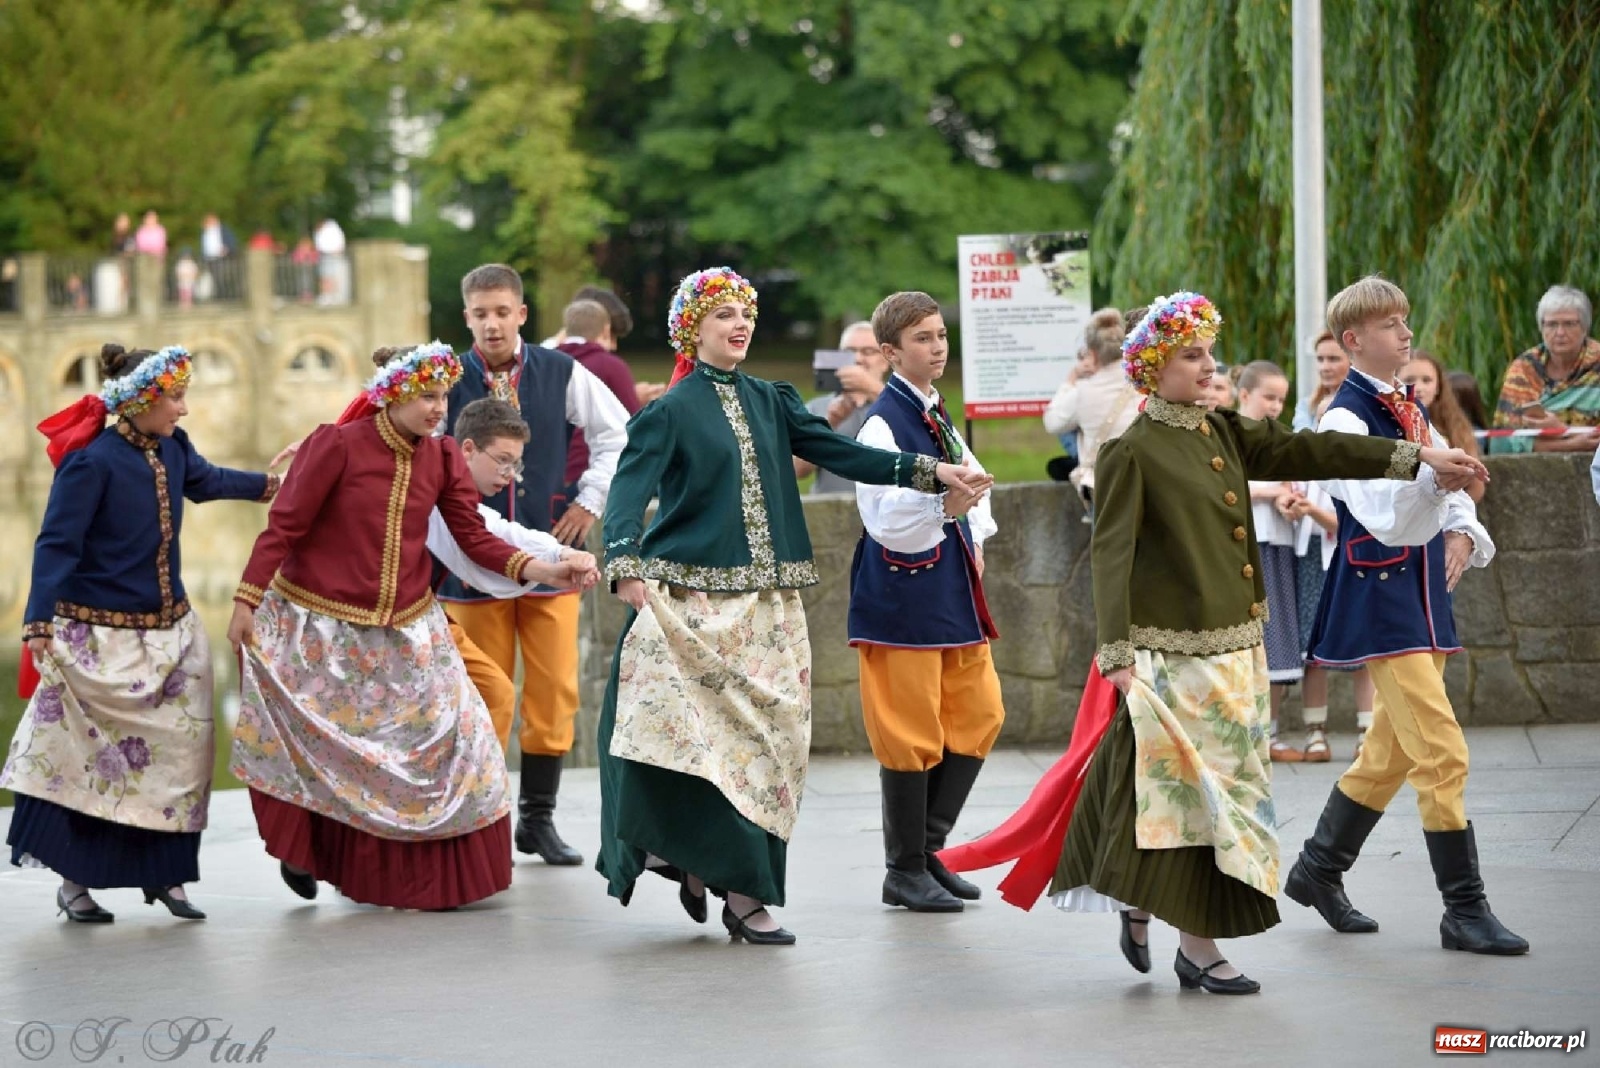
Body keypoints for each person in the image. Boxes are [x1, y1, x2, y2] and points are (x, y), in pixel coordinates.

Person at [937, 290, 1487, 994]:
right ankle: (1198, 947)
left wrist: (1417, 458)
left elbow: (1313, 448)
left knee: (1221, 797)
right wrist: (1120, 656)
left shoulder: (1221, 428)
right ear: (1155, 368)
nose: (1208, 366)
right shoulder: (1133, 449)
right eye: (1191, 355)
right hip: (1171, 657)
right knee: (1199, 803)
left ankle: (1147, 906)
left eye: (1209, 354)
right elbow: (1112, 556)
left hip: (1238, 652)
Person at [597, 267, 993, 946]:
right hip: (690, 606)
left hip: (767, 612)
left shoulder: (772, 400)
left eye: (745, 313)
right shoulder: (667, 411)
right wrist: (625, 565)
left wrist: (931, 471)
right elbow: (626, 497)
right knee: (684, 743)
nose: (739, 324)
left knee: (766, 750)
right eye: (723, 314)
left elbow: (839, 451)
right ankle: (719, 878)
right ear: (692, 328)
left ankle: (737, 880)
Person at [229, 342, 587, 911]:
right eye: (427, 396)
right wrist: (247, 599)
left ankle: (427, 873)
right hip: (322, 628)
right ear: (393, 393)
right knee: (330, 749)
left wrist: (544, 568)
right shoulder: (337, 445)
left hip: (408, 628)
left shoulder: (441, 458)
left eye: (444, 396)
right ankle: (308, 847)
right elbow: (285, 526)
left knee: (459, 731)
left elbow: (475, 537)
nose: (438, 407)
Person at [1288, 275, 1528, 956]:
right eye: (1391, 324)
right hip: (1379, 596)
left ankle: (1317, 869)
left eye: (1406, 320)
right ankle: (1464, 909)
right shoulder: (1344, 419)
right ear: (1354, 340)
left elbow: (1445, 486)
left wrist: (1458, 523)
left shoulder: (1408, 403)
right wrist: (1438, 481)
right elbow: (1383, 517)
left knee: (1389, 751)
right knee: (1441, 749)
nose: (1406, 333)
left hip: (1418, 591)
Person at [3, 343, 278, 923]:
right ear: (139, 400)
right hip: (97, 643)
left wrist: (271, 484)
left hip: (172, 634)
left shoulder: (173, 448)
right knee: (86, 765)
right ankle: (76, 884)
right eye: (175, 397)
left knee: (181, 759)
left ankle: (168, 878)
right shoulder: (92, 463)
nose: (184, 409)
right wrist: (37, 623)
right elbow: (57, 544)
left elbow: (205, 481)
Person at [442, 264, 630, 867]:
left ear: (522, 314)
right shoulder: (443, 379)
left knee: (554, 690)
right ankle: (484, 817)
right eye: (480, 313)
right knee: (481, 693)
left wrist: (589, 501)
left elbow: (616, 434)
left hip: (549, 549)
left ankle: (537, 820)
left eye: (502, 311)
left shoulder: (560, 372)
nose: (492, 323)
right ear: (466, 316)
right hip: (468, 563)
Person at [849, 291, 1003, 913]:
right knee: (908, 728)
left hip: (950, 585)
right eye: (922, 338)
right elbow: (881, 515)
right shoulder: (883, 421)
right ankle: (903, 866)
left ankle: (927, 849)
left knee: (979, 714)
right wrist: (945, 508)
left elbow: (976, 478)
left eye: (940, 335)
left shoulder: (937, 412)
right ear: (890, 352)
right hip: (901, 590)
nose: (937, 347)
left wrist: (975, 527)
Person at [1234, 360, 1307, 762]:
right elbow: (1225, 485)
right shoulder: (1228, 437)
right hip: (1246, 545)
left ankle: (1271, 732)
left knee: (1277, 637)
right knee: (1249, 639)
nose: (1276, 406)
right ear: (1244, 395)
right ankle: (1247, 732)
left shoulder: (1279, 438)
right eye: (1269, 397)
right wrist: (1270, 493)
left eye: (1281, 399)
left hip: (1277, 542)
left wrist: (1292, 500)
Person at [1042, 308, 1137, 505]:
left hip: (1104, 485)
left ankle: (1078, 461)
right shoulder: (1143, 381)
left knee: (1070, 426)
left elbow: (1052, 422)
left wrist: (1072, 378)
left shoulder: (1083, 392)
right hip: (1142, 477)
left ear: (1092, 353)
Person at [1492, 284, 1600, 453]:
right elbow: (1503, 442)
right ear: (1541, 328)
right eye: (1551, 324)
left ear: (1585, 328)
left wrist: (1559, 430)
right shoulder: (1523, 369)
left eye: (1569, 324)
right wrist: (1572, 441)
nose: (1560, 332)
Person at [555, 299, 642, 502]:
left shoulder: (548, 363)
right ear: (606, 330)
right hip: (591, 470)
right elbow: (635, 421)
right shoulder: (610, 366)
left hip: (551, 472)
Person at [793, 320, 891, 492]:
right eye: (850, 352)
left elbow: (927, 446)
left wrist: (873, 389)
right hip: (830, 513)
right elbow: (796, 470)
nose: (858, 359)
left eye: (868, 352)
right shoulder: (817, 408)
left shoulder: (903, 406)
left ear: (886, 360)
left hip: (886, 514)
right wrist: (828, 424)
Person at [1402, 351, 1484, 502]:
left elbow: (1476, 483)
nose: (1418, 387)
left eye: (1426, 380)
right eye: (1409, 380)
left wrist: (1457, 519)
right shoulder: (1384, 423)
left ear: (1438, 386)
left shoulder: (1456, 426)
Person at [1293, 330, 1352, 430]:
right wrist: (1319, 420)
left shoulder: (1365, 403)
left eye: (1333, 359)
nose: (1324, 367)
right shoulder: (1306, 405)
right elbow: (1300, 443)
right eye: (1320, 359)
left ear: (1352, 361)